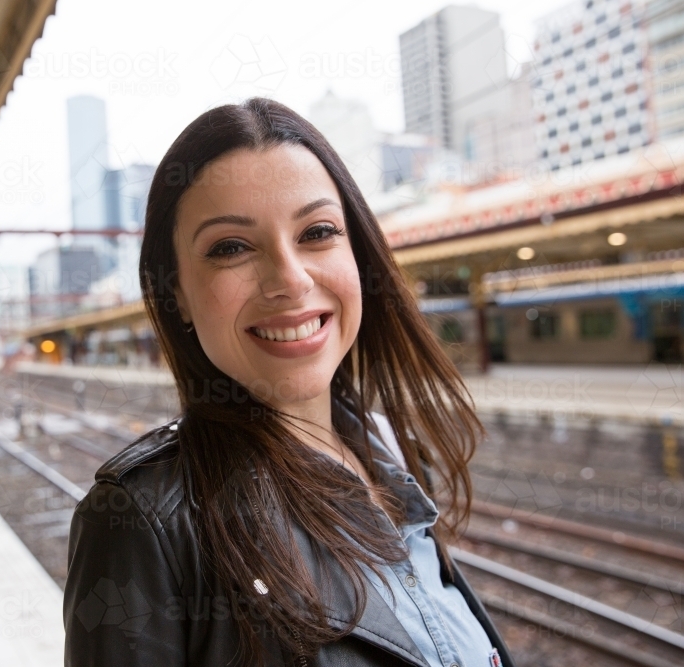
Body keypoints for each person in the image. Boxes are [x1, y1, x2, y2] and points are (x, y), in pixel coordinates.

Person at [63, 98, 515, 667]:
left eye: (318, 232)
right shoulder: (141, 522)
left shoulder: (392, 454)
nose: (290, 279)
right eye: (231, 247)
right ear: (174, 290)